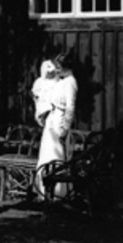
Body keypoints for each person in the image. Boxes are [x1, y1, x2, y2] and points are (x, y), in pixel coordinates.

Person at [36, 53, 77, 197]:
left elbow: (70, 107)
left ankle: (59, 193)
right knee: (46, 156)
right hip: (51, 120)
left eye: (59, 68)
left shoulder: (70, 83)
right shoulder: (61, 81)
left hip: (59, 122)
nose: (57, 70)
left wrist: (65, 128)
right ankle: (43, 192)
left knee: (56, 158)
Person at [32, 59, 57, 126]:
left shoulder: (57, 82)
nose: (50, 74)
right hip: (43, 108)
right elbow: (36, 96)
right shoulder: (39, 82)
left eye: (52, 72)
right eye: (48, 72)